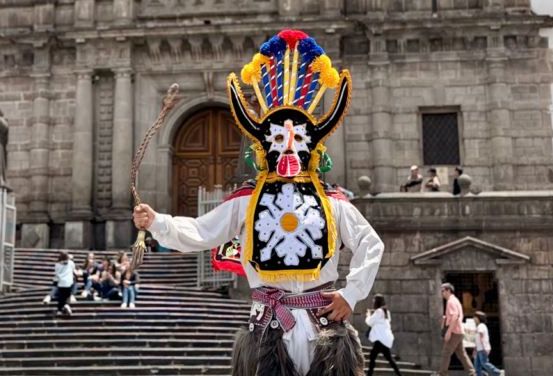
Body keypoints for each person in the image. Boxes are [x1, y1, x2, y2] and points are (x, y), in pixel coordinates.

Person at [133, 30, 384, 376]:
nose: (289, 146)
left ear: (313, 147)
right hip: (267, 330)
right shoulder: (247, 200)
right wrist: (156, 222)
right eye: (279, 138)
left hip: (323, 329)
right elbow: (202, 231)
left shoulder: (334, 202)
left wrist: (351, 294)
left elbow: (371, 243)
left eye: (298, 139)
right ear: (264, 145)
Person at [440, 283, 477, 376]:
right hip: (458, 331)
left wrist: (448, 332)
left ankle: (442, 374)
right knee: (462, 354)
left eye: (443, 291)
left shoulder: (451, 301)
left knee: (446, 353)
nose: (442, 293)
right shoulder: (456, 300)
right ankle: (472, 373)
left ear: (448, 291)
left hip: (454, 331)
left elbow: (455, 316)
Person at [365, 294, 402, 376]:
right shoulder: (386, 312)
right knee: (375, 357)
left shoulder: (378, 312)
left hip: (380, 338)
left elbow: (370, 322)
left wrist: (368, 315)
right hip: (384, 338)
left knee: (383, 358)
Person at [472, 311, 504, 376]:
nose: (474, 319)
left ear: (478, 318)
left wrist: (484, 347)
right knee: (477, 365)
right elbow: (478, 340)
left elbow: (482, 338)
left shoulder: (481, 326)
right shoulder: (479, 326)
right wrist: (475, 350)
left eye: (474, 317)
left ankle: (499, 372)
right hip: (479, 349)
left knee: (484, 363)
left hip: (482, 348)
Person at [54, 251, 75, 315]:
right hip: (68, 282)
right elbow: (73, 269)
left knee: (61, 296)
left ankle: (60, 309)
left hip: (61, 282)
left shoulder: (57, 265)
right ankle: (65, 305)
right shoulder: (71, 263)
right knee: (66, 295)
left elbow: (56, 273)